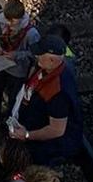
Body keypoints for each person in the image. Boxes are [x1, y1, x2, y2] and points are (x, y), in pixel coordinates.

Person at [6, 28, 83, 166]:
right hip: (33, 115)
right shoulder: (45, 67)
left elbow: (56, 130)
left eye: (40, 54)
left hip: (45, 144)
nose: (36, 56)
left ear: (52, 60)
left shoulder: (58, 92)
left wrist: (27, 135)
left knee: (37, 159)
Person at [0, 0, 41, 123]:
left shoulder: (31, 34)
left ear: (20, 18)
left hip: (18, 72)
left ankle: (9, 119)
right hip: (2, 65)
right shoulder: (3, 22)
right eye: (7, 20)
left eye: (12, 21)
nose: (9, 24)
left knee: (13, 98)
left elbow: (35, 54)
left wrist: (16, 55)